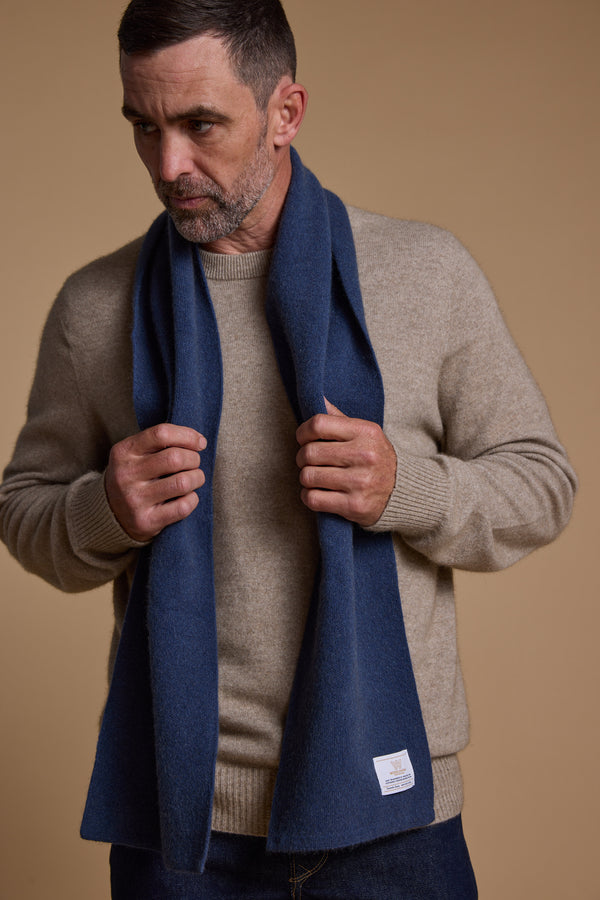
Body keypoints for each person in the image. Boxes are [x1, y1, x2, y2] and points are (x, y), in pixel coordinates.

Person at [0, 0, 576, 897]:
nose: (168, 164)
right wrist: (100, 511)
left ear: (285, 112)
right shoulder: (96, 307)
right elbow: (25, 511)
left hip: (394, 818)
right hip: (180, 826)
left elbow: (542, 484)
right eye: (143, 128)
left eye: (200, 125)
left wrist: (404, 488)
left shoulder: (426, 274)